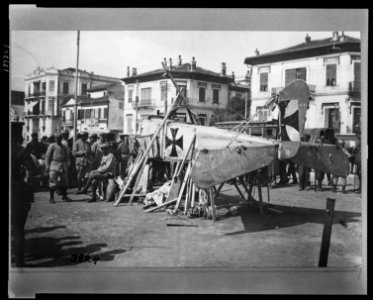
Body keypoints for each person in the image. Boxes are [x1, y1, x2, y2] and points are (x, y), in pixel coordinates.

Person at [11, 123, 36, 267]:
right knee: (19, 230)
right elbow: (31, 171)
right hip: (18, 194)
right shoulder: (22, 151)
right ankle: (20, 264)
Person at [44, 132, 72, 203]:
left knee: (65, 181)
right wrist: (47, 166)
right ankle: (51, 197)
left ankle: (64, 196)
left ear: (61, 138)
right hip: (54, 164)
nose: (58, 139)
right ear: (55, 139)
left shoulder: (64, 146)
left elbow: (67, 156)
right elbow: (47, 157)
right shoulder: (52, 146)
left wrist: (68, 164)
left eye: (59, 138)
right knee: (53, 181)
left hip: (63, 164)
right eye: (56, 138)